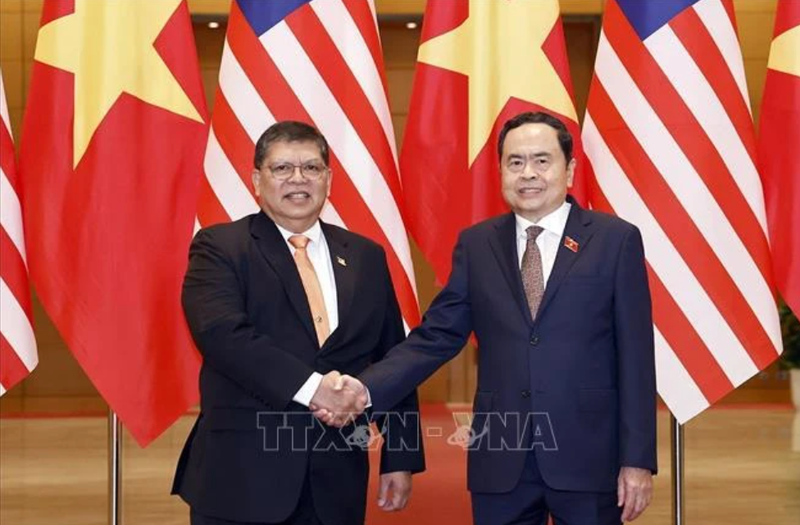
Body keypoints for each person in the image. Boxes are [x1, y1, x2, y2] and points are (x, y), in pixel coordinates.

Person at [319, 112, 657, 524]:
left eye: (542, 160)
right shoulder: (478, 244)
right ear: (500, 171)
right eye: (515, 162)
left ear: (569, 170)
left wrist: (637, 460)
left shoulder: (614, 240)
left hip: (589, 456)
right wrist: (365, 388)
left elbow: (637, 360)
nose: (528, 173)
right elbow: (437, 336)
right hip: (501, 461)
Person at [172, 121, 425, 525]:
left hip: (336, 480)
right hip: (242, 480)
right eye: (282, 168)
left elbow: (392, 359)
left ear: (328, 178)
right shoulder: (220, 247)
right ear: (257, 180)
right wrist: (314, 390)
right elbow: (223, 336)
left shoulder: (366, 256)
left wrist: (401, 457)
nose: (298, 179)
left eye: (311, 168)